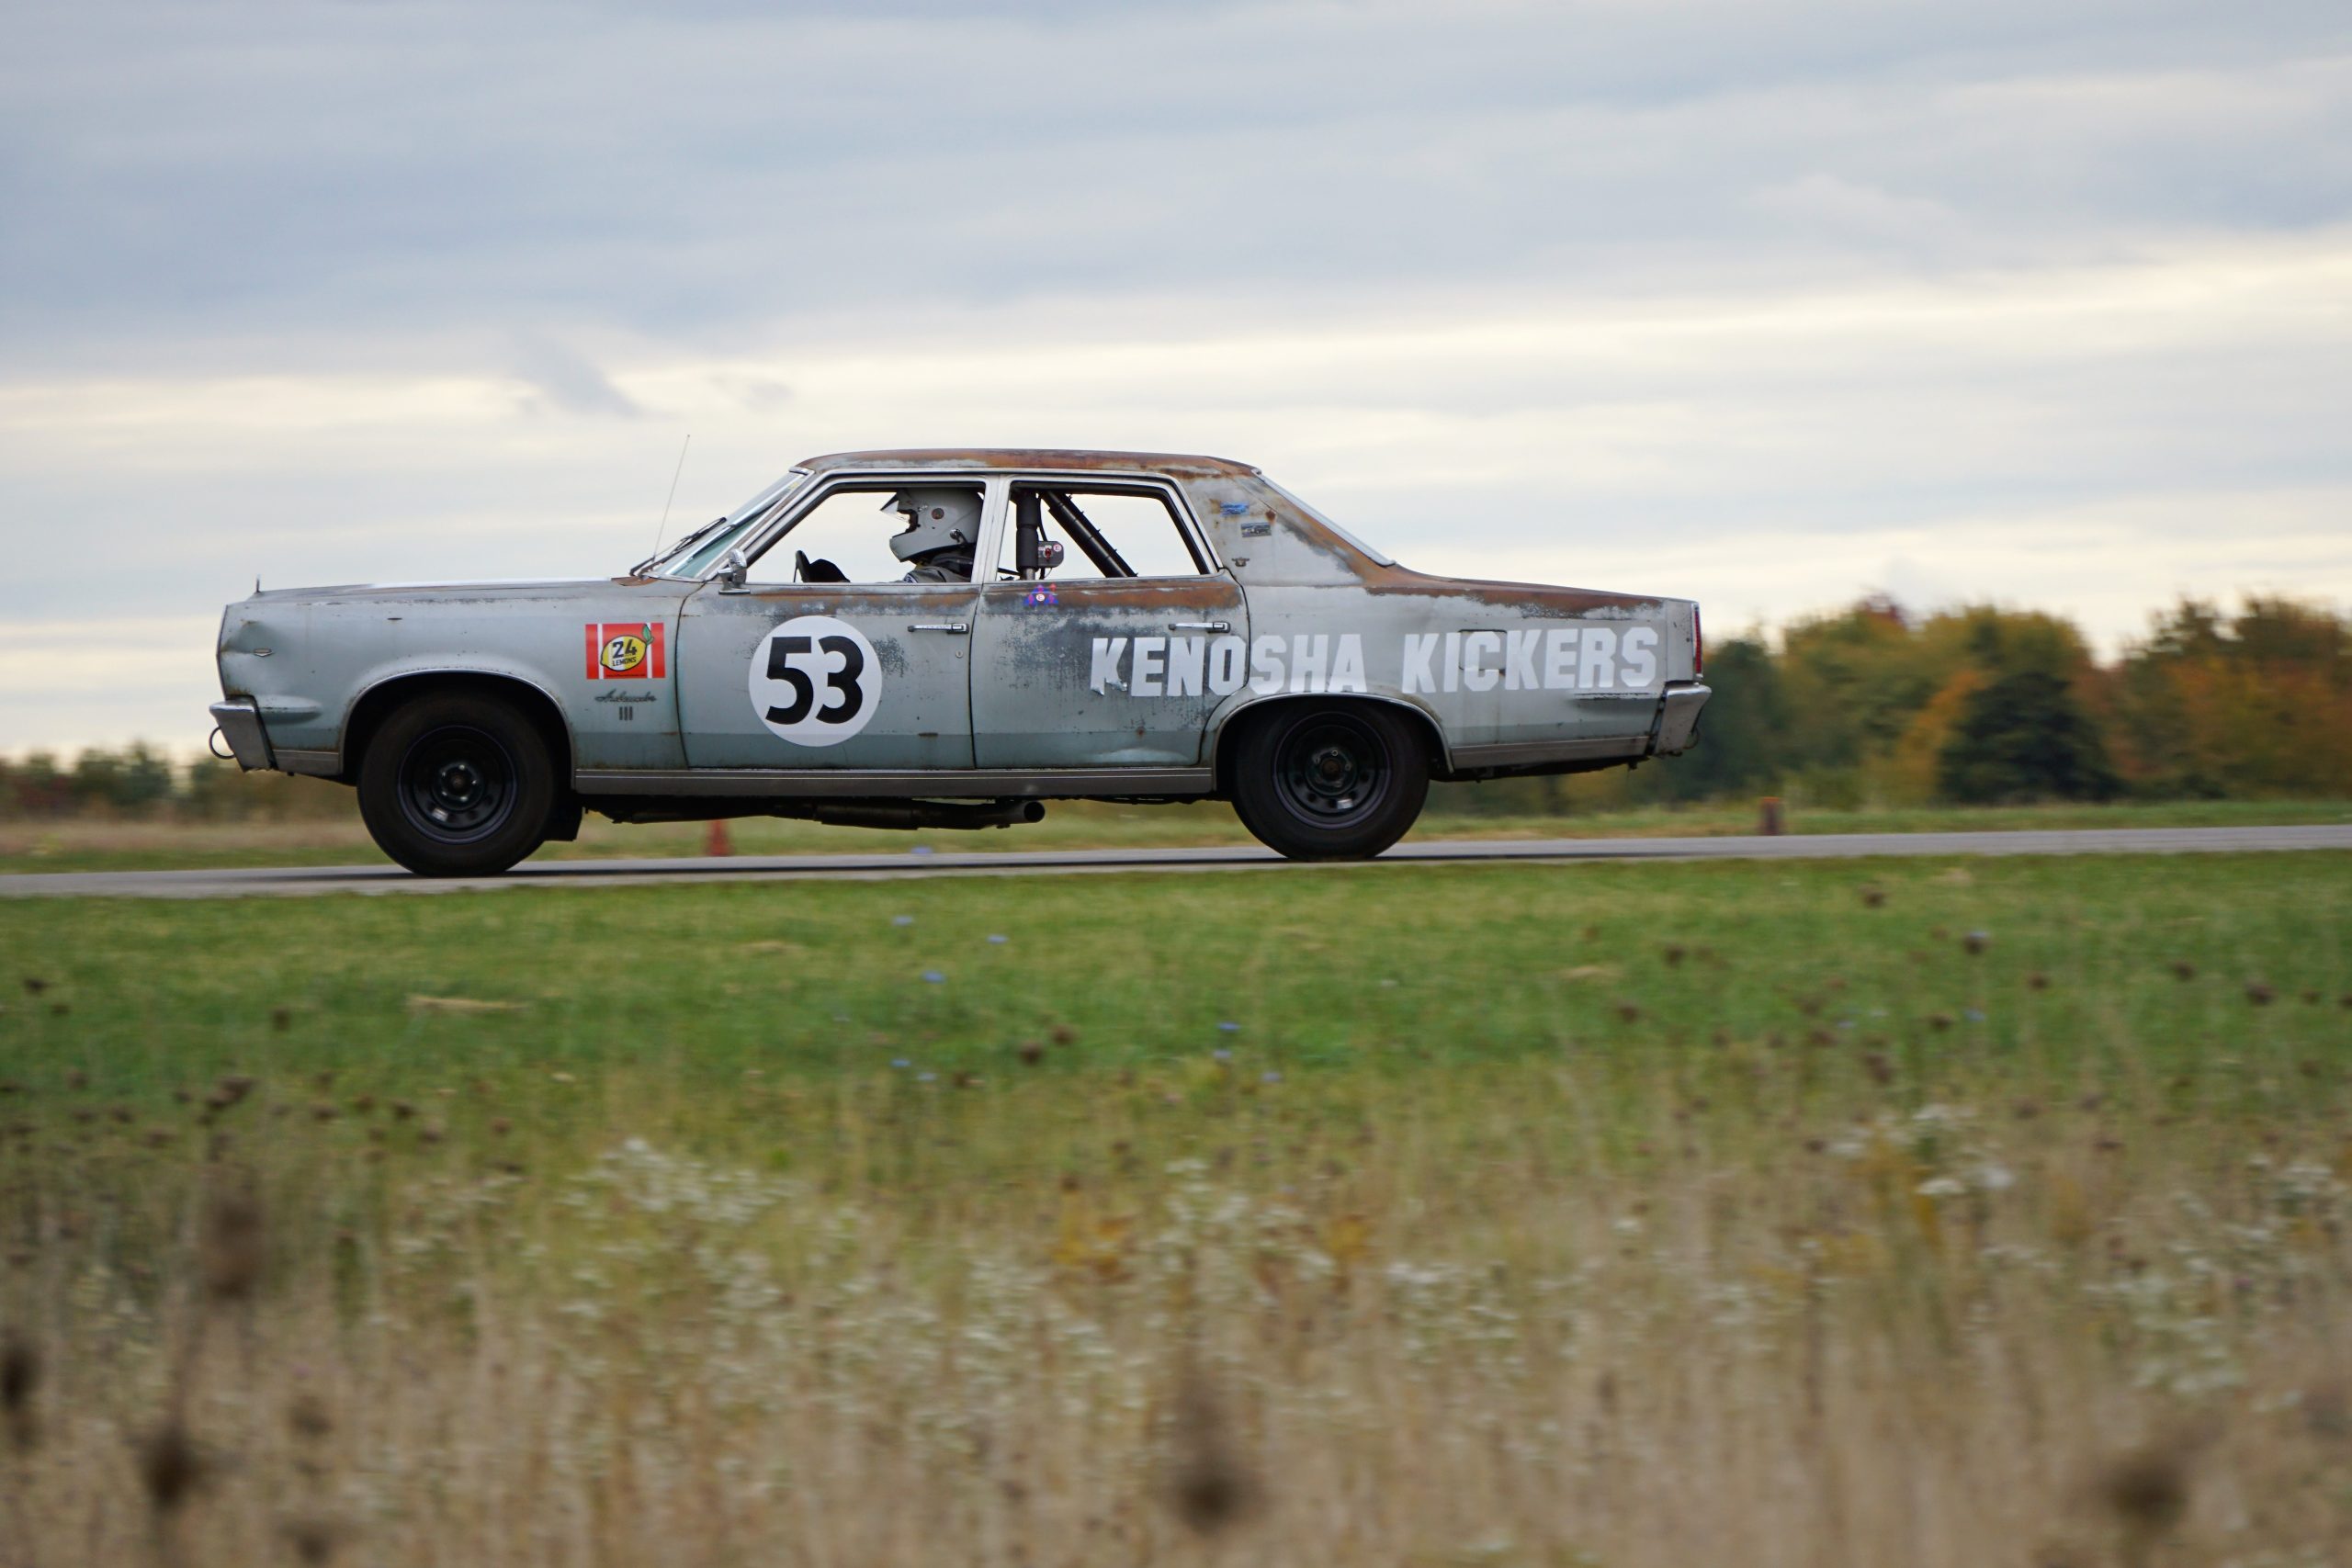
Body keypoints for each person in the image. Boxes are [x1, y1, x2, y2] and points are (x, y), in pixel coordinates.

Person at [885, 490, 981, 583]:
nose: (907, 530)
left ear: (938, 518)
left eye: (912, 523)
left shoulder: (935, 578)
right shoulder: (958, 576)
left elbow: (890, 595)